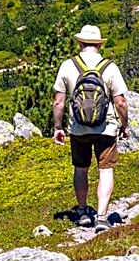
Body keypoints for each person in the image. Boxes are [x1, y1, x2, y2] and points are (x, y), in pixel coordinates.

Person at [53, 24, 129, 233]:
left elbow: (58, 101)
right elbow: (120, 102)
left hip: (78, 129)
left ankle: (84, 212)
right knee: (106, 170)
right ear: (99, 44)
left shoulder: (68, 66)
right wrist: (124, 125)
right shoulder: (110, 67)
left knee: (81, 168)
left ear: (80, 43)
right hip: (106, 128)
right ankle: (102, 217)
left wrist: (58, 127)